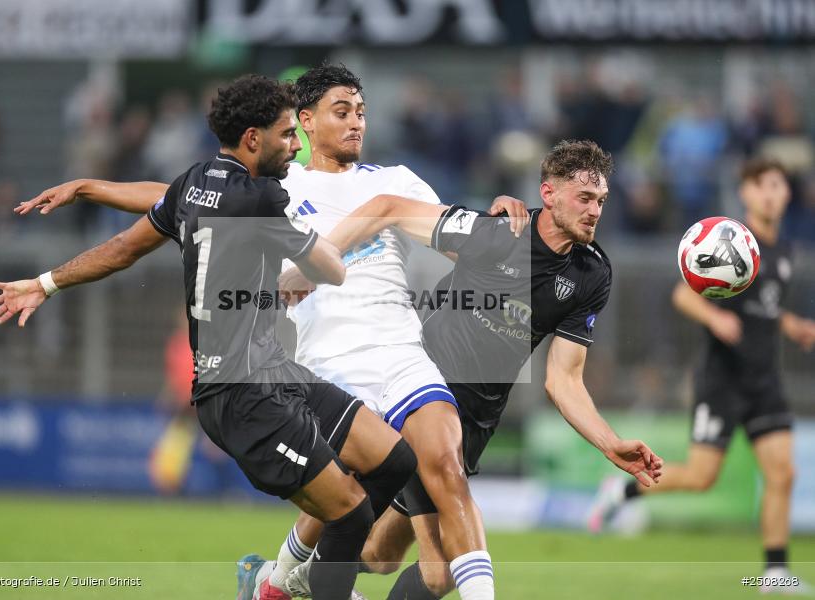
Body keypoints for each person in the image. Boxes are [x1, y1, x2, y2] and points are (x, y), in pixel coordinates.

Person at [15, 64, 521, 600]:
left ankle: (282, 581)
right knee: (363, 528)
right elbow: (176, 195)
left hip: (399, 351)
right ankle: (281, 581)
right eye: (342, 112)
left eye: (362, 113)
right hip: (326, 359)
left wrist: (498, 215)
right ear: (305, 121)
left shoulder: (395, 181)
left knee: (439, 466)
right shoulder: (277, 181)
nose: (357, 124)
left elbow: (451, 231)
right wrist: (94, 188)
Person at [276, 139, 663, 599]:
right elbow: (387, 206)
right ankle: (287, 577)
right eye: (584, 198)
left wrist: (610, 443)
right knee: (438, 572)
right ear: (549, 193)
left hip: (478, 418)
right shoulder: (498, 232)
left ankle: (287, 576)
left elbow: (563, 379)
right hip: (422, 393)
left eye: (600, 200)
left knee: (380, 552)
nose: (594, 210)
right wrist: (312, 262)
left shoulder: (591, 275)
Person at [588, 158, 815, 595]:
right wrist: (714, 318)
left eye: (778, 186)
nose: (771, 193)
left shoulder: (785, 252)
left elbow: (765, 306)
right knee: (700, 476)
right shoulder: (725, 242)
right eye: (762, 185)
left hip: (765, 379)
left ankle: (773, 573)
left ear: (786, 195)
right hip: (722, 380)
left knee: (783, 473)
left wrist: (792, 325)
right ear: (746, 194)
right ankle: (622, 491)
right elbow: (682, 294)